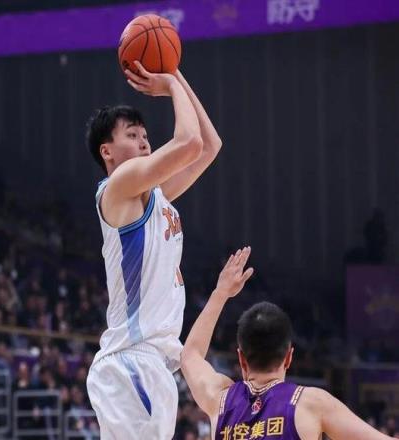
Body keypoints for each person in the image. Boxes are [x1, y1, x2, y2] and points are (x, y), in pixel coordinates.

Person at [85, 60, 222, 439]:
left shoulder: (153, 196)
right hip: (131, 361)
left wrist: (175, 72)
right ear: (107, 151)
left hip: (151, 364)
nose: (144, 141)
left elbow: (209, 146)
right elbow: (189, 143)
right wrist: (169, 87)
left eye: (145, 134)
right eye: (132, 135)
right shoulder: (119, 186)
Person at [181, 247, 395, 439]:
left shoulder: (220, 400)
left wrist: (220, 293)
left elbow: (190, 355)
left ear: (241, 359)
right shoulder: (311, 403)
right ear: (289, 357)